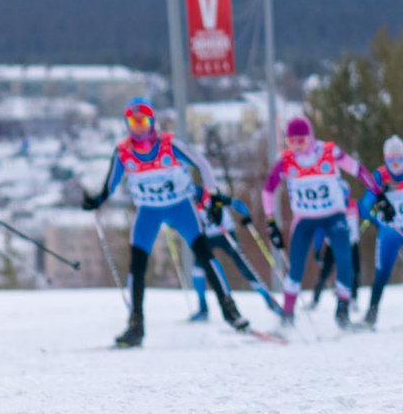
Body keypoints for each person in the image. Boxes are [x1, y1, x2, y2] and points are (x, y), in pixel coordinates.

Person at [81, 98, 251, 346]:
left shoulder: (169, 145)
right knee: (137, 266)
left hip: (180, 207)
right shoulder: (123, 152)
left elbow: (202, 164)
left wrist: (213, 197)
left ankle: (230, 311)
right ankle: (136, 324)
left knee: (204, 255)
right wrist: (96, 201)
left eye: (143, 122)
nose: (138, 127)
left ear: (152, 122)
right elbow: (110, 186)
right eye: (133, 122)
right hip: (149, 211)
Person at [261, 116, 365, 326]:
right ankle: (288, 314)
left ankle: (343, 311)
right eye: (292, 142)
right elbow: (268, 190)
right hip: (305, 220)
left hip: (333, 216)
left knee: (344, 262)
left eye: (302, 141)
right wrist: (271, 221)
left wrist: (378, 193)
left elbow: (358, 170)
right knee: (296, 267)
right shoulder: (286, 160)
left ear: (311, 138)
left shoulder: (329, 152)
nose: (298, 146)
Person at [356, 134, 403, 330]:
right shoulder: (379, 176)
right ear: (385, 159)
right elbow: (363, 208)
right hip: (390, 232)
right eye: (390, 159)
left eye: (399, 158)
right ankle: (371, 315)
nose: (395, 163)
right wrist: (379, 220)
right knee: (382, 273)